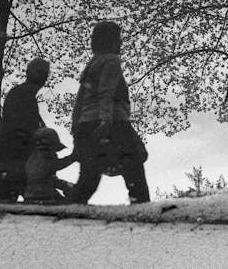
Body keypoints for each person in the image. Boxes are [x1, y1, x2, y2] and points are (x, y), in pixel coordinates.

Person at [70, 20, 150, 204]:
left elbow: (80, 100)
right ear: (111, 41)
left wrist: (76, 127)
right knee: (134, 160)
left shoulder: (92, 65)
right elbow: (106, 92)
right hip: (112, 121)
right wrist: (105, 120)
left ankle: (73, 206)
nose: (120, 43)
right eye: (118, 39)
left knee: (90, 172)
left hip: (86, 122)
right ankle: (141, 205)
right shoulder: (111, 61)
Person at [0, 58, 50, 202]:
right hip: (16, 155)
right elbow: (21, 128)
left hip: (18, 155)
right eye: (41, 72)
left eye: (45, 73)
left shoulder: (24, 95)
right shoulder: (21, 94)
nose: (43, 76)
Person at [24, 127, 77, 204]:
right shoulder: (45, 156)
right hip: (44, 195)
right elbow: (55, 166)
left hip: (31, 194)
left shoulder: (32, 158)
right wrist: (73, 158)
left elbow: (49, 178)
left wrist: (65, 184)